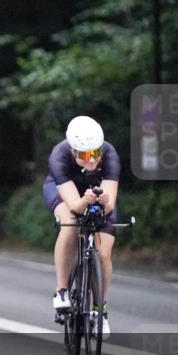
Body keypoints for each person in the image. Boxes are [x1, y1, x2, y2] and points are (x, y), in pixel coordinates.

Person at [44, 116, 120, 337]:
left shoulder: (110, 154)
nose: (92, 161)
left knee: (104, 253)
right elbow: (76, 206)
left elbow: (110, 204)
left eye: (95, 153)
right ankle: (62, 291)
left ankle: (100, 311)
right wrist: (84, 201)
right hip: (64, 192)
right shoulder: (59, 155)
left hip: (95, 194)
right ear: (73, 151)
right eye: (85, 155)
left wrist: (102, 200)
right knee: (70, 225)